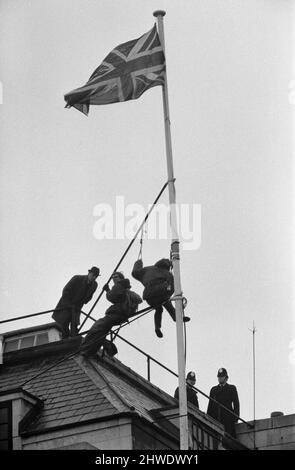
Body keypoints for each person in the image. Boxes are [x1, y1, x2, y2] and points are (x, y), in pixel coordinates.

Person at [80, 272, 142, 358]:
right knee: (102, 332)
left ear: (120, 278)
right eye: (112, 277)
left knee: (96, 327)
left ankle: (86, 348)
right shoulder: (130, 292)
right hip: (122, 317)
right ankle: (93, 350)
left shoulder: (119, 285)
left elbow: (112, 297)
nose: (113, 279)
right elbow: (138, 299)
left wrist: (107, 290)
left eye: (115, 277)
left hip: (115, 314)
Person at [132, 258, 190, 338]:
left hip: (149, 296)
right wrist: (169, 293)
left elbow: (135, 273)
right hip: (161, 293)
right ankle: (176, 318)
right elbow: (171, 287)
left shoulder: (148, 269)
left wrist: (138, 263)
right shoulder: (168, 273)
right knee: (167, 302)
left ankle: (157, 328)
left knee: (159, 309)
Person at [52, 266, 100, 339]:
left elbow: (89, 297)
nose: (94, 277)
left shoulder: (94, 285)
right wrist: (68, 304)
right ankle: (65, 339)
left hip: (77, 308)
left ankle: (72, 339)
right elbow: (66, 290)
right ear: (89, 273)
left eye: (96, 276)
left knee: (74, 326)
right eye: (93, 275)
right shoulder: (77, 278)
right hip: (66, 305)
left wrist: (84, 301)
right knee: (63, 324)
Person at [207, 368, 240, 438]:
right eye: (219, 377)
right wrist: (208, 418)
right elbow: (210, 406)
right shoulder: (213, 390)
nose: (220, 378)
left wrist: (236, 418)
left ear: (226, 378)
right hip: (216, 418)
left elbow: (236, 404)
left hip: (228, 419)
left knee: (228, 438)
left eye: (222, 377)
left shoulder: (231, 388)